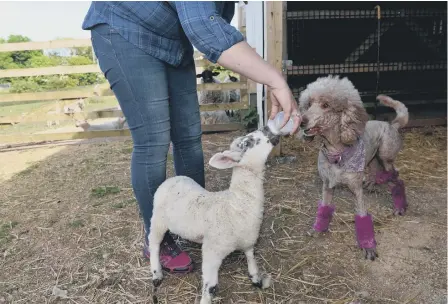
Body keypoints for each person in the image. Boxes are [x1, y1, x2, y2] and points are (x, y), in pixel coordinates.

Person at [82, 1, 301, 274]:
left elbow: (211, 23)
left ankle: (198, 221)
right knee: (154, 140)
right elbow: (204, 28)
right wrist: (275, 80)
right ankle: (157, 239)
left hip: (173, 42)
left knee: (188, 136)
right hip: (126, 29)